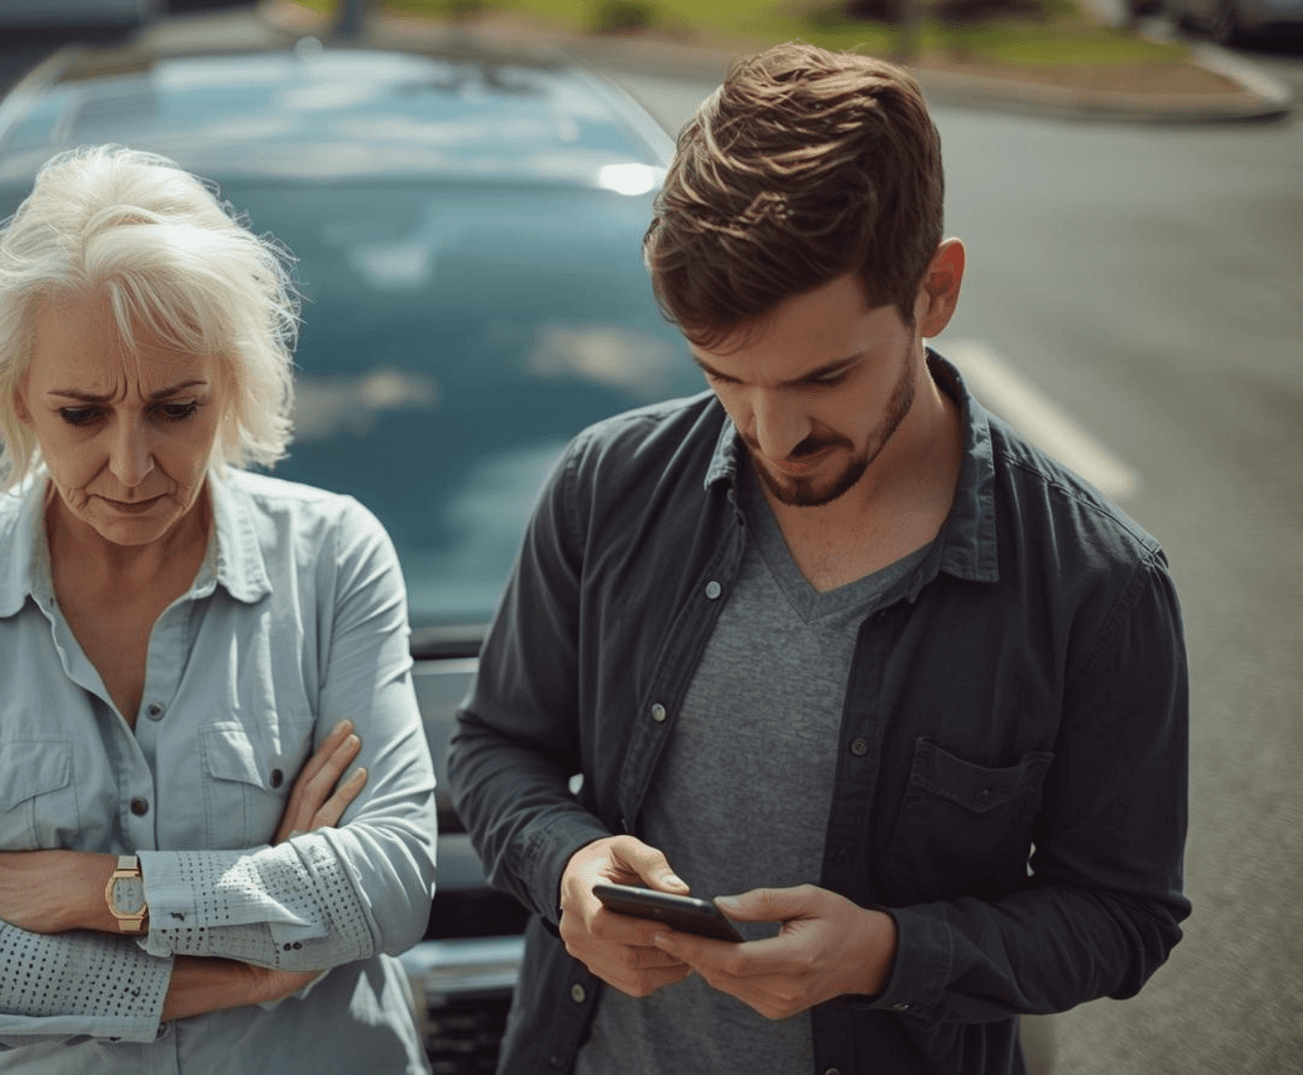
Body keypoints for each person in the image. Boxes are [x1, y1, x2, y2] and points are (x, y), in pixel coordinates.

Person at [449, 42, 1190, 1075]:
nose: (771, 431)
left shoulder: (1098, 588)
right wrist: (565, 862)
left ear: (935, 293)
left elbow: (1123, 918)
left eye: (826, 376)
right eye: (724, 376)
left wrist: (889, 953)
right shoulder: (605, 485)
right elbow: (495, 749)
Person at [0, 145, 437, 1074]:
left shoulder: (333, 557)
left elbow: (393, 886)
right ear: (18, 401)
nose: (130, 466)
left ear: (232, 386)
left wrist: (108, 891)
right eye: (82, 414)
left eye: (176, 408)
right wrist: (254, 969)